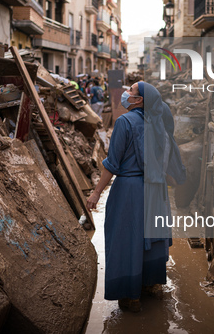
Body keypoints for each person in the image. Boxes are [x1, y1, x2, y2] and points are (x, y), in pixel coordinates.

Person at [86, 81, 186, 312]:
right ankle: (152, 286)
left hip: (130, 189)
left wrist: (96, 192)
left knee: (125, 239)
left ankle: (130, 296)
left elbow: (113, 163)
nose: (126, 93)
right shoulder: (159, 122)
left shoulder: (125, 122)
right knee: (153, 238)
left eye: (130, 90)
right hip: (156, 189)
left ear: (139, 100)